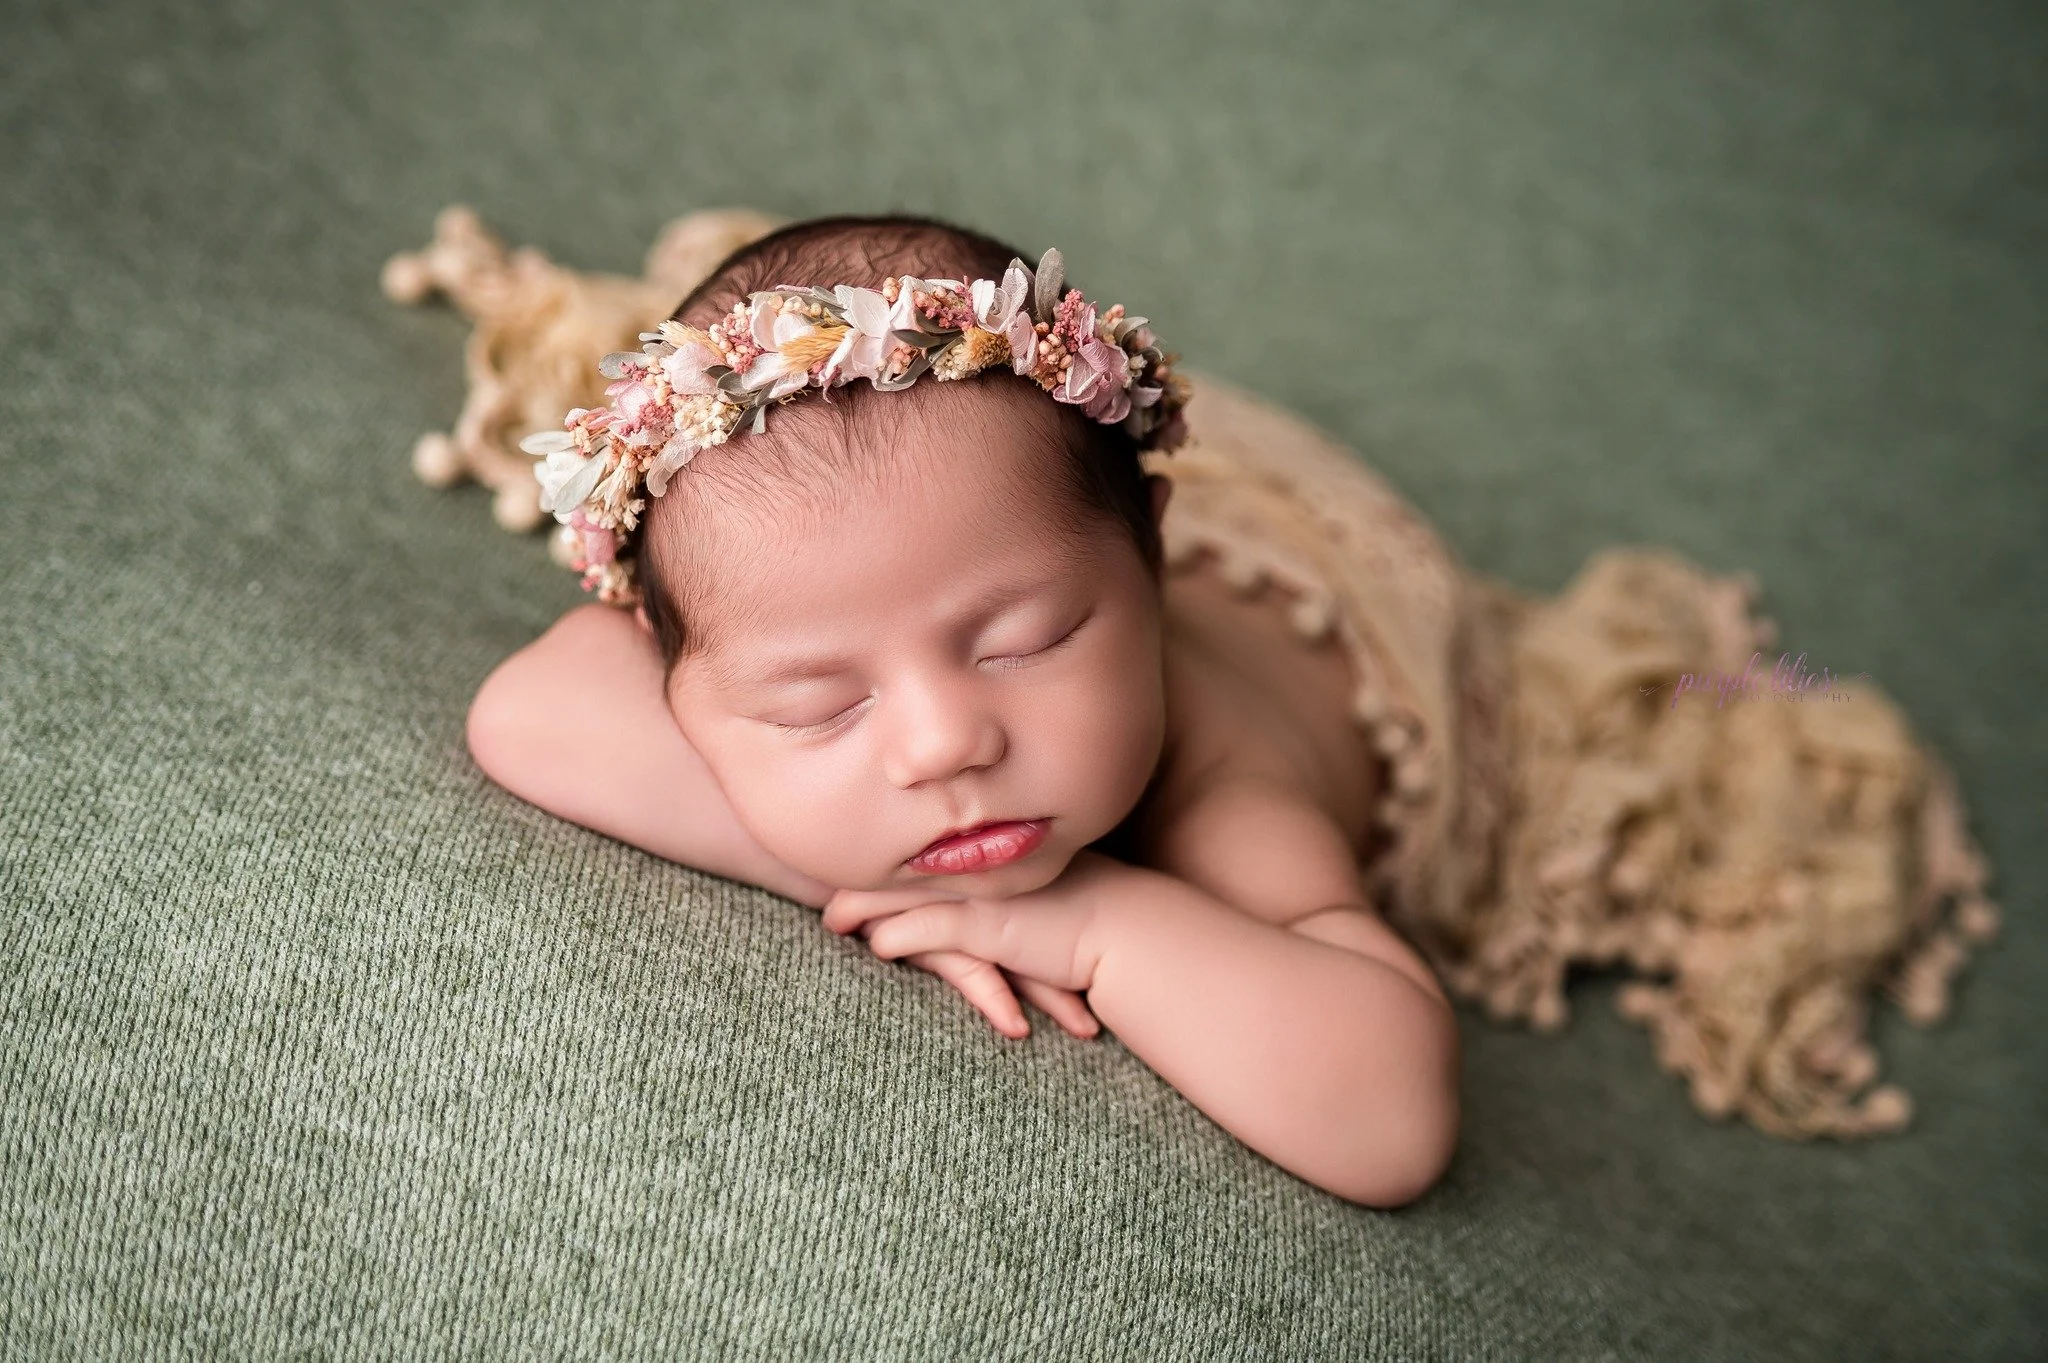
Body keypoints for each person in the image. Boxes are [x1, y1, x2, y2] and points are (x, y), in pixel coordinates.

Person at [463, 213, 1461, 1209]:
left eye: (1023, 642)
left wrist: (1088, 924)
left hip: (1337, 617)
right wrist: (857, 874)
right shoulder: (784, 620)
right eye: (819, 704)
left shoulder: (1222, 781)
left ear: (1152, 564)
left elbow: (1389, 1122)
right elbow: (528, 710)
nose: (943, 745)